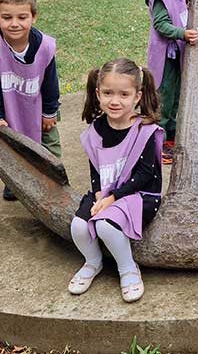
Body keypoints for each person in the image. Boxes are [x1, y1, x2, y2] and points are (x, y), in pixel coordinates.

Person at [68, 58, 163, 303]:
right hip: (107, 193)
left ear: (137, 96)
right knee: (78, 226)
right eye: (108, 93)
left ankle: (128, 268)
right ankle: (93, 261)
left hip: (139, 196)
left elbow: (145, 175)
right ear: (98, 93)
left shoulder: (144, 130)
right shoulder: (95, 131)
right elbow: (96, 169)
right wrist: (99, 194)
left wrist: (112, 198)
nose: (115, 101)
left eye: (124, 94)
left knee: (105, 225)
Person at [0, 0, 60, 201]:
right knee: (10, 145)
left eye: (22, 17)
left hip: (40, 105)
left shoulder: (45, 46)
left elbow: (51, 83)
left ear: (34, 17)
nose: (14, 23)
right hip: (8, 106)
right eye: (7, 17)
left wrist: (50, 111)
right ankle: (15, 183)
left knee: (49, 145)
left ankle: (52, 182)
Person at [144, 0, 198, 165]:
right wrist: (182, 34)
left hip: (174, 53)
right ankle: (158, 142)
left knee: (176, 94)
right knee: (164, 98)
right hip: (164, 56)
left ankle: (172, 134)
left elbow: (174, 8)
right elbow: (161, 24)